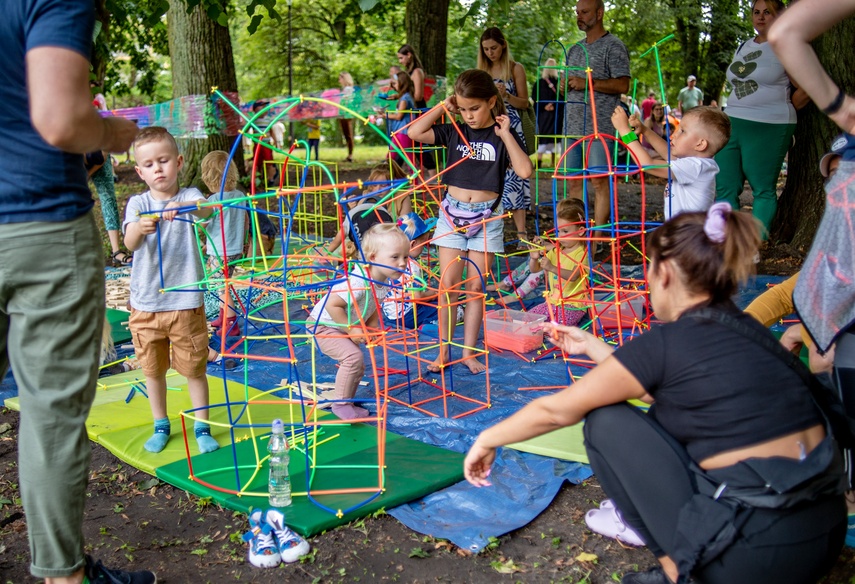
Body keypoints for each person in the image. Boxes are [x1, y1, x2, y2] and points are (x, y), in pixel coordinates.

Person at [464, 204, 846, 584]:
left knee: (605, 421)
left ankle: (677, 571)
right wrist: (594, 346)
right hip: (822, 533)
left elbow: (556, 411)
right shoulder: (748, 330)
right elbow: (661, 391)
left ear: (663, 273)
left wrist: (488, 437)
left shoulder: (671, 342)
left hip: (756, 556)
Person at [1, 1, 150, 582]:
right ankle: (64, 576)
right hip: (36, 225)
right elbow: (62, 120)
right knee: (50, 412)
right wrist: (114, 132)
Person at [769, 2, 855, 547]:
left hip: (838, 303)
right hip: (835, 295)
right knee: (828, 366)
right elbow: (786, 32)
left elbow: (786, 32)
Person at [408, 69, 533, 374]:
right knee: (448, 286)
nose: (469, 116)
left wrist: (506, 135)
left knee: (475, 287)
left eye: (474, 108)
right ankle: (442, 352)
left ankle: (468, 353)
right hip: (451, 216)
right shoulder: (454, 129)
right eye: (463, 109)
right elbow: (413, 133)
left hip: (487, 218)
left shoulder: (503, 134)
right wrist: (442, 107)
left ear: (492, 101)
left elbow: (525, 170)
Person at [123, 127, 219, 456]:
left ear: (178, 162)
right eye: (148, 164)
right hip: (147, 304)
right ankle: (160, 424)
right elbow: (129, 242)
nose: (157, 169)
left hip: (186, 302)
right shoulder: (138, 203)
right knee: (153, 370)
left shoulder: (190, 196)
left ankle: (202, 426)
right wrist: (141, 226)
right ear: (139, 171)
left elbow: (207, 210)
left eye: (163, 160)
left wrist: (186, 207)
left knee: (194, 368)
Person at [714, 0, 799, 238]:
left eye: (767, 12)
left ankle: (754, 245)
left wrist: (785, 107)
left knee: (763, 189)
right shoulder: (744, 46)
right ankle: (730, 242)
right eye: (756, 12)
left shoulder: (786, 45)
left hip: (769, 125)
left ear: (779, 15)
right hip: (732, 122)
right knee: (725, 186)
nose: (760, 17)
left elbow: (804, 86)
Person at [308, 223, 410, 419]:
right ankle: (340, 405)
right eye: (395, 257)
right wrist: (351, 329)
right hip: (322, 324)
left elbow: (372, 305)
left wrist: (371, 329)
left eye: (405, 256)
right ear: (373, 258)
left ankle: (346, 400)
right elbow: (332, 304)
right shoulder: (359, 281)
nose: (403, 263)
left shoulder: (383, 281)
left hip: (341, 324)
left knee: (358, 362)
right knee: (353, 358)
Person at [563, 0, 631, 229]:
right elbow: (572, 85)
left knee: (600, 182)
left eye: (584, 12)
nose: (579, 16)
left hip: (598, 127)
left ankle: (600, 236)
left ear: (599, 13)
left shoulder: (614, 46)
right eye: (577, 12)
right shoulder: (573, 50)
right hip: (571, 127)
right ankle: (578, 237)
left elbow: (623, 85)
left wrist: (588, 82)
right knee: (573, 184)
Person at [612, 105, 730, 219]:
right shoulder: (697, 162)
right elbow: (668, 153)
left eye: (682, 131)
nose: (673, 135)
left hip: (689, 235)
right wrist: (645, 130)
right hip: (685, 231)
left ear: (700, 144)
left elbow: (647, 164)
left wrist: (624, 131)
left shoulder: (695, 166)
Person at [478, 27, 532, 244]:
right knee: (491, 177)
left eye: (494, 48)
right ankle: (492, 231)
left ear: (503, 46)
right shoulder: (482, 72)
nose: (490, 52)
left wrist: (506, 95)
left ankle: (521, 234)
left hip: (513, 128)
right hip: (489, 129)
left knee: (516, 179)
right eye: (486, 49)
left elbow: (525, 102)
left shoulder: (515, 69)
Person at [201, 150, 246, 338]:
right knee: (224, 284)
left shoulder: (213, 200)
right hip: (235, 249)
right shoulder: (241, 196)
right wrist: (245, 244)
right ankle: (223, 316)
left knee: (223, 287)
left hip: (220, 252)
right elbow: (245, 222)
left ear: (208, 178)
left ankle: (231, 324)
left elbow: (202, 223)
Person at [525, 198, 589, 326]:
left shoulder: (582, 253)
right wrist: (533, 258)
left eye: (565, 231)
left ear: (581, 231)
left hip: (573, 305)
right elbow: (535, 269)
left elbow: (573, 276)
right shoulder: (556, 251)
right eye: (558, 231)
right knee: (528, 320)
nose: (560, 235)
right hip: (553, 302)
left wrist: (552, 268)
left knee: (557, 327)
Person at [89, 93, 132, 267]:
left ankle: (116, 251)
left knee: (108, 198)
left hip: (99, 158)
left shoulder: (103, 135)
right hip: (78, 161)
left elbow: (101, 158)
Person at [322, 165, 395, 259]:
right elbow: (344, 232)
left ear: (391, 187)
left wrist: (327, 252)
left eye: (383, 185)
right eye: (375, 185)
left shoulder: (394, 200)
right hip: (373, 248)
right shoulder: (362, 201)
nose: (378, 189)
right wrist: (354, 207)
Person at [382, 213, 439, 330]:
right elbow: (417, 297)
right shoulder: (412, 266)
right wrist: (435, 293)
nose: (425, 247)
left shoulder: (387, 260)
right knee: (452, 309)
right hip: (408, 316)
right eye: (423, 243)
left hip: (390, 316)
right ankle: (428, 325)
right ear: (413, 244)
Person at [533, 58, 565, 168]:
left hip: (544, 116)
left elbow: (535, 98)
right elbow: (563, 98)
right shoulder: (559, 83)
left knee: (543, 137)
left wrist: (544, 106)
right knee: (555, 137)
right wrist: (554, 105)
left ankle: (538, 162)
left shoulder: (539, 83)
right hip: (556, 115)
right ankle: (553, 163)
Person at [384, 70, 417, 166]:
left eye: (395, 83)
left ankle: (414, 179)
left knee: (409, 158)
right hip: (399, 132)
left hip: (403, 132)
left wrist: (384, 115)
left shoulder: (404, 99)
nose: (393, 86)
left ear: (401, 83)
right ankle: (388, 177)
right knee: (390, 157)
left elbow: (399, 116)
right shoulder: (405, 97)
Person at [338, 72, 355, 162]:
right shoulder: (345, 89)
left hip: (346, 114)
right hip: (343, 114)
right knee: (346, 134)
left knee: (348, 134)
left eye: (340, 78)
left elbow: (347, 101)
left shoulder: (348, 89)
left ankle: (350, 155)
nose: (339, 80)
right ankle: (349, 154)